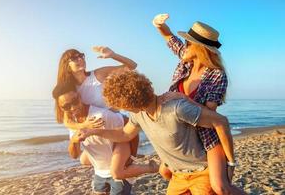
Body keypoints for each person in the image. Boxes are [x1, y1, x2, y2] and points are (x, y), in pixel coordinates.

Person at [78, 70, 245, 195]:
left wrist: (230, 163)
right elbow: (124, 134)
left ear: (129, 102)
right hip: (177, 176)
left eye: (121, 104)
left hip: (202, 172)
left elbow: (221, 121)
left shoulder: (177, 108)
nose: (121, 108)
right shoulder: (138, 114)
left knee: (225, 190)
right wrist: (94, 131)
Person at [153, 14, 244, 194]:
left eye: (188, 42)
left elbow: (210, 114)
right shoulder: (184, 62)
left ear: (201, 48)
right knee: (164, 171)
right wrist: (158, 24)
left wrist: (182, 99)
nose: (184, 44)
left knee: (220, 187)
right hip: (179, 135)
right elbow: (169, 37)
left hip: (204, 137)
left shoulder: (217, 75)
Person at [52, 82, 158, 195]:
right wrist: (73, 141)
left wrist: (131, 155)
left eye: (74, 101)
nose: (73, 108)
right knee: (84, 160)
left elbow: (131, 127)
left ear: (79, 96)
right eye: (66, 106)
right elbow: (74, 155)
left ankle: (151, 167)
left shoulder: (101, 115)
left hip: (119, 171)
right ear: (61, 107)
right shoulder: (73, 124)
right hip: (99, 172)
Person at [55, 46, 141, 176]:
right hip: (94, 130)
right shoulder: (69, 90)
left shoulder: (98, 74)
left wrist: (113, 55)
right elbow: (67, 121)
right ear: (66, 65)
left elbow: (132, 66)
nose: (80, 59)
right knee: (84, 160)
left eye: (81, 56)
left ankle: (129, 158)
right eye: (74, 58)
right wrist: (84, 125)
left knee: (118, 168)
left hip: (114, 125)